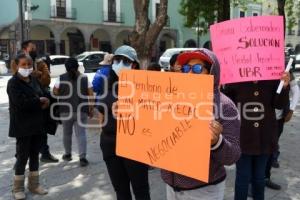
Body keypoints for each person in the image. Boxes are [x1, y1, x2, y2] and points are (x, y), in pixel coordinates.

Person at [161, 49, 241, 200]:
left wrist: (217, 142)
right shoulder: (171, 98)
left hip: (203, 191)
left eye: (197, 68)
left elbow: (233, 156)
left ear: (212, 72)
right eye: (186, 68)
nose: (190, 73)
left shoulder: (225, 106)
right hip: (171, 187)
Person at [222, 65, 290, 199]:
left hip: (265, 137)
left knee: (259, 178)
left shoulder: (272, 76)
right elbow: (226, 104)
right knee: (243, 177)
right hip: (242, 137)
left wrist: (284, 86)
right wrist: (223, 86)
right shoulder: (236, 78)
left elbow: (279, 104)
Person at [97, 45, 151, 200]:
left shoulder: (145, 86)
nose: (120, 63)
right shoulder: (108, 82)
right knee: (121, 191)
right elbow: (100, 108)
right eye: (117, 59)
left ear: (134, 65)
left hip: (135, 145)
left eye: (125, 61)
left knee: (141, 191)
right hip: (111, 144)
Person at [7, 53, 48, 200]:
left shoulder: (34, 80)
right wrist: (39, 101)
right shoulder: (13, 83)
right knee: (22, 157)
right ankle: (17, 188)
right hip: (22, 127)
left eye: (29, 65)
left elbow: (42, 94)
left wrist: (46, 99)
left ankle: (34, 185)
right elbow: (21, 103)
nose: (26, 67)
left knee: (35, 156)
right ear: (16, 66)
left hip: (37, 125)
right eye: (23, 65)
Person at [11, 40, 58, 163]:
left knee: (42, 130)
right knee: (23, 136)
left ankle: (45, 153)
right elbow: (17, 78)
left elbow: (47, 79)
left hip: (40, 102)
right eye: (32, 48)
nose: (34, 50)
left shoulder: (40, 62)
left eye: (35, 48)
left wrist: (39, 74)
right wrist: (32, 74)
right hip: (24, 106)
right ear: (25, 49)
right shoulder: (15, 63)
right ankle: (19, 159)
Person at [53, 58, 94, 167]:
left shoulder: (60, 78)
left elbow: (55, 92)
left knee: (67, 133)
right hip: (82, 110)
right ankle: (82, 157)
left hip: (65, 111)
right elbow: (91, 94)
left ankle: (67, 154)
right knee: (81, 134)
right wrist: (91, 108)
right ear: (77, 67)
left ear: (66, 68)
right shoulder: (85, 78)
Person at [264, 72, 300, 190]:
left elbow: (295, 90)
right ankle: (251, 182)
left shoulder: (285, 67)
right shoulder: (254, 61)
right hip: (257, 118)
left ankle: (266, 178)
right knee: (256, 151)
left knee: (271, 149)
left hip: (277, 120)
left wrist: (291, 110)